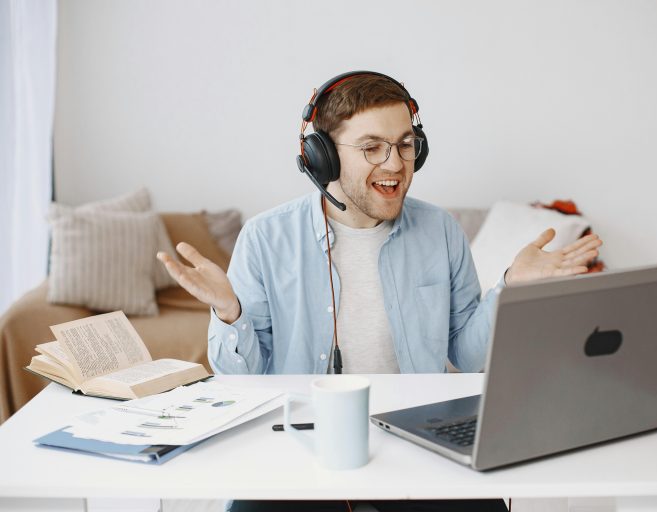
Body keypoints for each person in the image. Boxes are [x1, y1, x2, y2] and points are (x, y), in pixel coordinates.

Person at [158, 71, 602, 512]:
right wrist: (230, 312)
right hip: (303, 447)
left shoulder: (441, 231)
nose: (394, 164)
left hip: (420, 441)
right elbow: (244, 379)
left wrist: (511, 288)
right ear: (322, 158)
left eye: (406, 144)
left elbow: (468, 356)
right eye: (371, 147)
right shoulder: (264, 238)